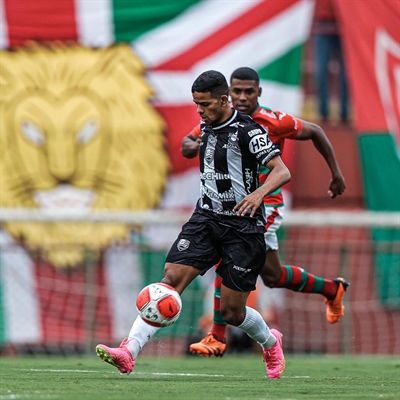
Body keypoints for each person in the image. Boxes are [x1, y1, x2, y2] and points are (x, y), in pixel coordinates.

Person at [96, 70, 291, 379]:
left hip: (243, 228)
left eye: (205, 104)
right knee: (169, 281)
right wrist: (189, 147)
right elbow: (191, 145)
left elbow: (281, 171)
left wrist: (258, 195)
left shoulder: (248, 130)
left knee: (232, 312)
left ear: (224, 100)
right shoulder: (205, 125)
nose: (199, 110)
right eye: (196, 104)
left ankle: (270, 342)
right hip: (206, 220)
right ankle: (128, 352)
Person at [183, 67, 348, 358]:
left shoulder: (274, 121)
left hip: (265, 204)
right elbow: (188, 142)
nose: (243, 97)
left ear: (259, 92)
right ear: (228, 94)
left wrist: (335, 174)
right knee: (272, 276)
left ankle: (217, 335)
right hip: (232, 208)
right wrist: (193, 145)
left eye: (249, 91)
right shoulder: (219, 120)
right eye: (237, 91)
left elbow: (317, 132)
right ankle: (332, 289)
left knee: (227, 251)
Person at [312, 0, 349, 123]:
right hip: (322, 26)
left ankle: (345, 114)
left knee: (345, 75)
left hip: (344, 26)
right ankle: (323, 114)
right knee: (320, 73)